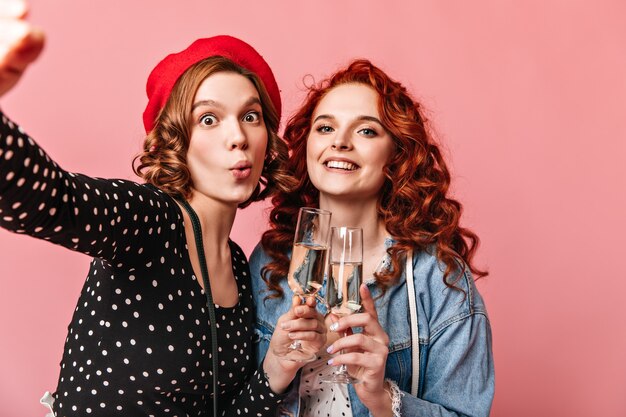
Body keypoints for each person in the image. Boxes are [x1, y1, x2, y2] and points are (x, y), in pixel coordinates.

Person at [0, 2, 325, 416]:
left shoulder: (242, 269)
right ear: (174, 141)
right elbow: (48, 201)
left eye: (251, 116)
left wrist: (277, 368)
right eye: (209, 119)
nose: (238, 137)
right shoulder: (148, 219)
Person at [250, 59, 494, 417]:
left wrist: (382, 398)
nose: (340, 142)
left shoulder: (440, 280)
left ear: (397, 154)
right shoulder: (269, 262)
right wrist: (275, 369)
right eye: (325, 127)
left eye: (366, 131)